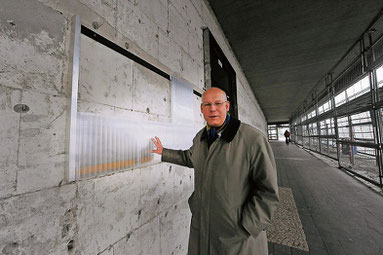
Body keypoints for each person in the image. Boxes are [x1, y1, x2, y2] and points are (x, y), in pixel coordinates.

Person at [151, 87, 279, 255]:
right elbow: (190, 158)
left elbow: (268, 191)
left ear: (227, 106)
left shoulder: (252, 139)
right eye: (207, 104)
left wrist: (248, 225)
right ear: (201, 109)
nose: (212, 109)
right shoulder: (200, 137)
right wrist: (164, 152)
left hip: (237, 235)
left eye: (218, 103)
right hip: (203, 225)